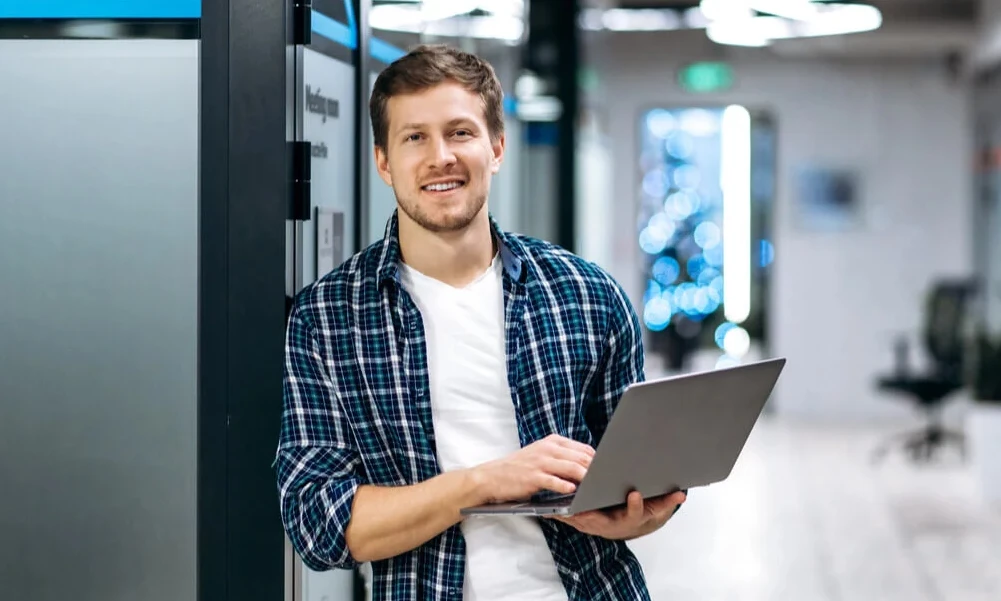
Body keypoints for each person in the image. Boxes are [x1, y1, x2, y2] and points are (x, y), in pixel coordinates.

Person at [275, 44, 687, 601]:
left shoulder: (587, 295)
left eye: (460, 133)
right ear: (383, 161)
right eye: (414, 137)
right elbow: (317, 524)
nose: (440, 156)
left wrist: (636, 517)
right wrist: (484, 482)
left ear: (496, 147)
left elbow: (637, 482)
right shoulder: (328, 318)